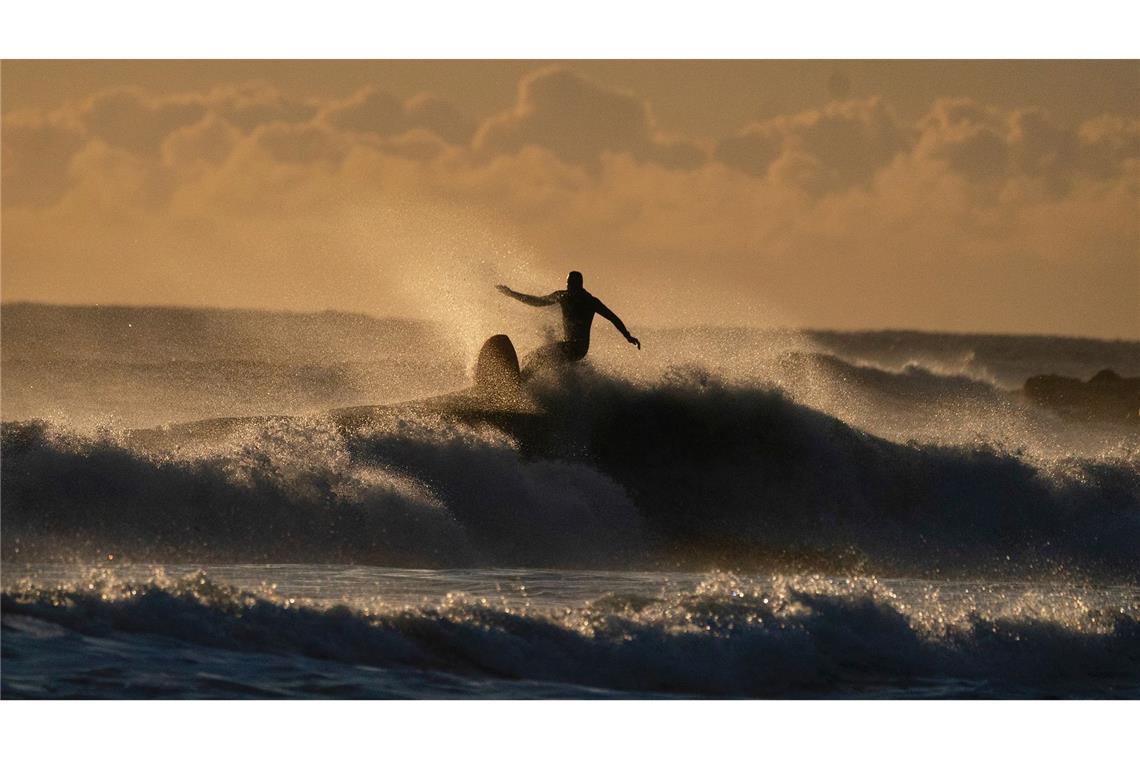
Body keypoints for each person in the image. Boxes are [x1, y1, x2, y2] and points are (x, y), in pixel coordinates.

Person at [496, 271, 640, 370]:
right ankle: (528, 389)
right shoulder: (562, 296)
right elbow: (537, 302)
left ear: (580, 285)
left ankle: (518, 387)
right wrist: (511, 293)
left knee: (538, 358)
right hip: (567, 345)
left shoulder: (590, 302)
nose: (569, 288)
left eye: (572, 285)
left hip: (578, 349)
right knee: (531, 358)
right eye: (568, 285)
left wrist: (627, 336)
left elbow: (613, 318)